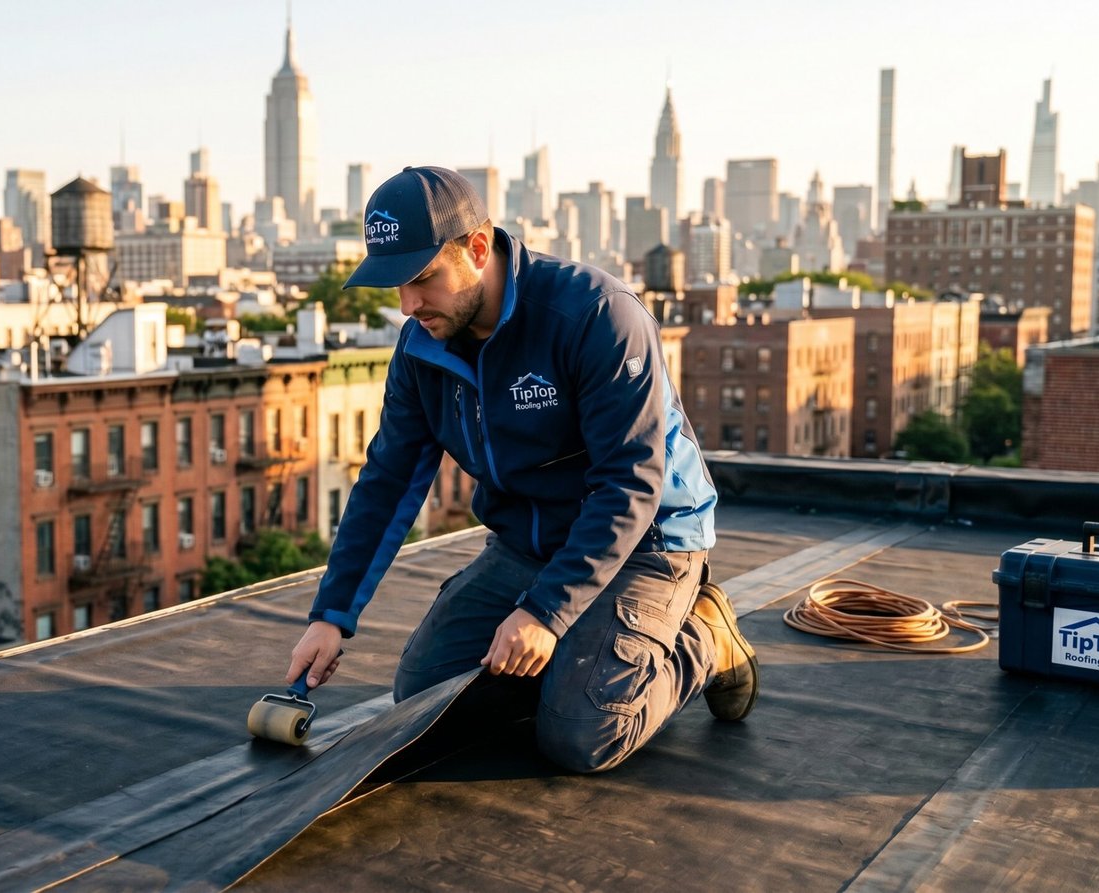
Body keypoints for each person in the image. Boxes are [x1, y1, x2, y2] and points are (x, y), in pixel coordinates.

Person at [283, 166, 758, 773]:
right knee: (424, 696)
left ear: (478, 249)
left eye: (423, 279)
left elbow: (631, 483)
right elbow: (389, 480)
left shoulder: (596, 317)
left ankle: (705, 639)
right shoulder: (422, 346)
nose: (408, 305)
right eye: (394, 287)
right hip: (527, 542)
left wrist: (544, 613)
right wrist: (332, 616)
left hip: (649, 540)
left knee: (581, 736)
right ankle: (584, 657)